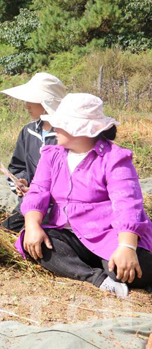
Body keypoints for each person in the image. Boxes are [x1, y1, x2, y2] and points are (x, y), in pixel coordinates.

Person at [18, 93, 152, 298]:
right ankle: (96, 279)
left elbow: (127, 204)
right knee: (35, 243)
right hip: (71, 236)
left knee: (123, 269)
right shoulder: (52, 155)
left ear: (80, 129)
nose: (55, 128)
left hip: (109, 235)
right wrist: (32, 225)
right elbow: (38, 191)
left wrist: (126, 246)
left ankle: (112, 271)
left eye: (61, 124)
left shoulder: (114, 158)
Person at [0, 73, 66, 232]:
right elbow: (18, 166)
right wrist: (21, 182)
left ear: (46, 103)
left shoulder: (67, 135)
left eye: (32, 100)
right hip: (29, 204)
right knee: (4, 231)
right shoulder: (28, 132)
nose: (27, 105)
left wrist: (42, 191)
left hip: (58, 207)